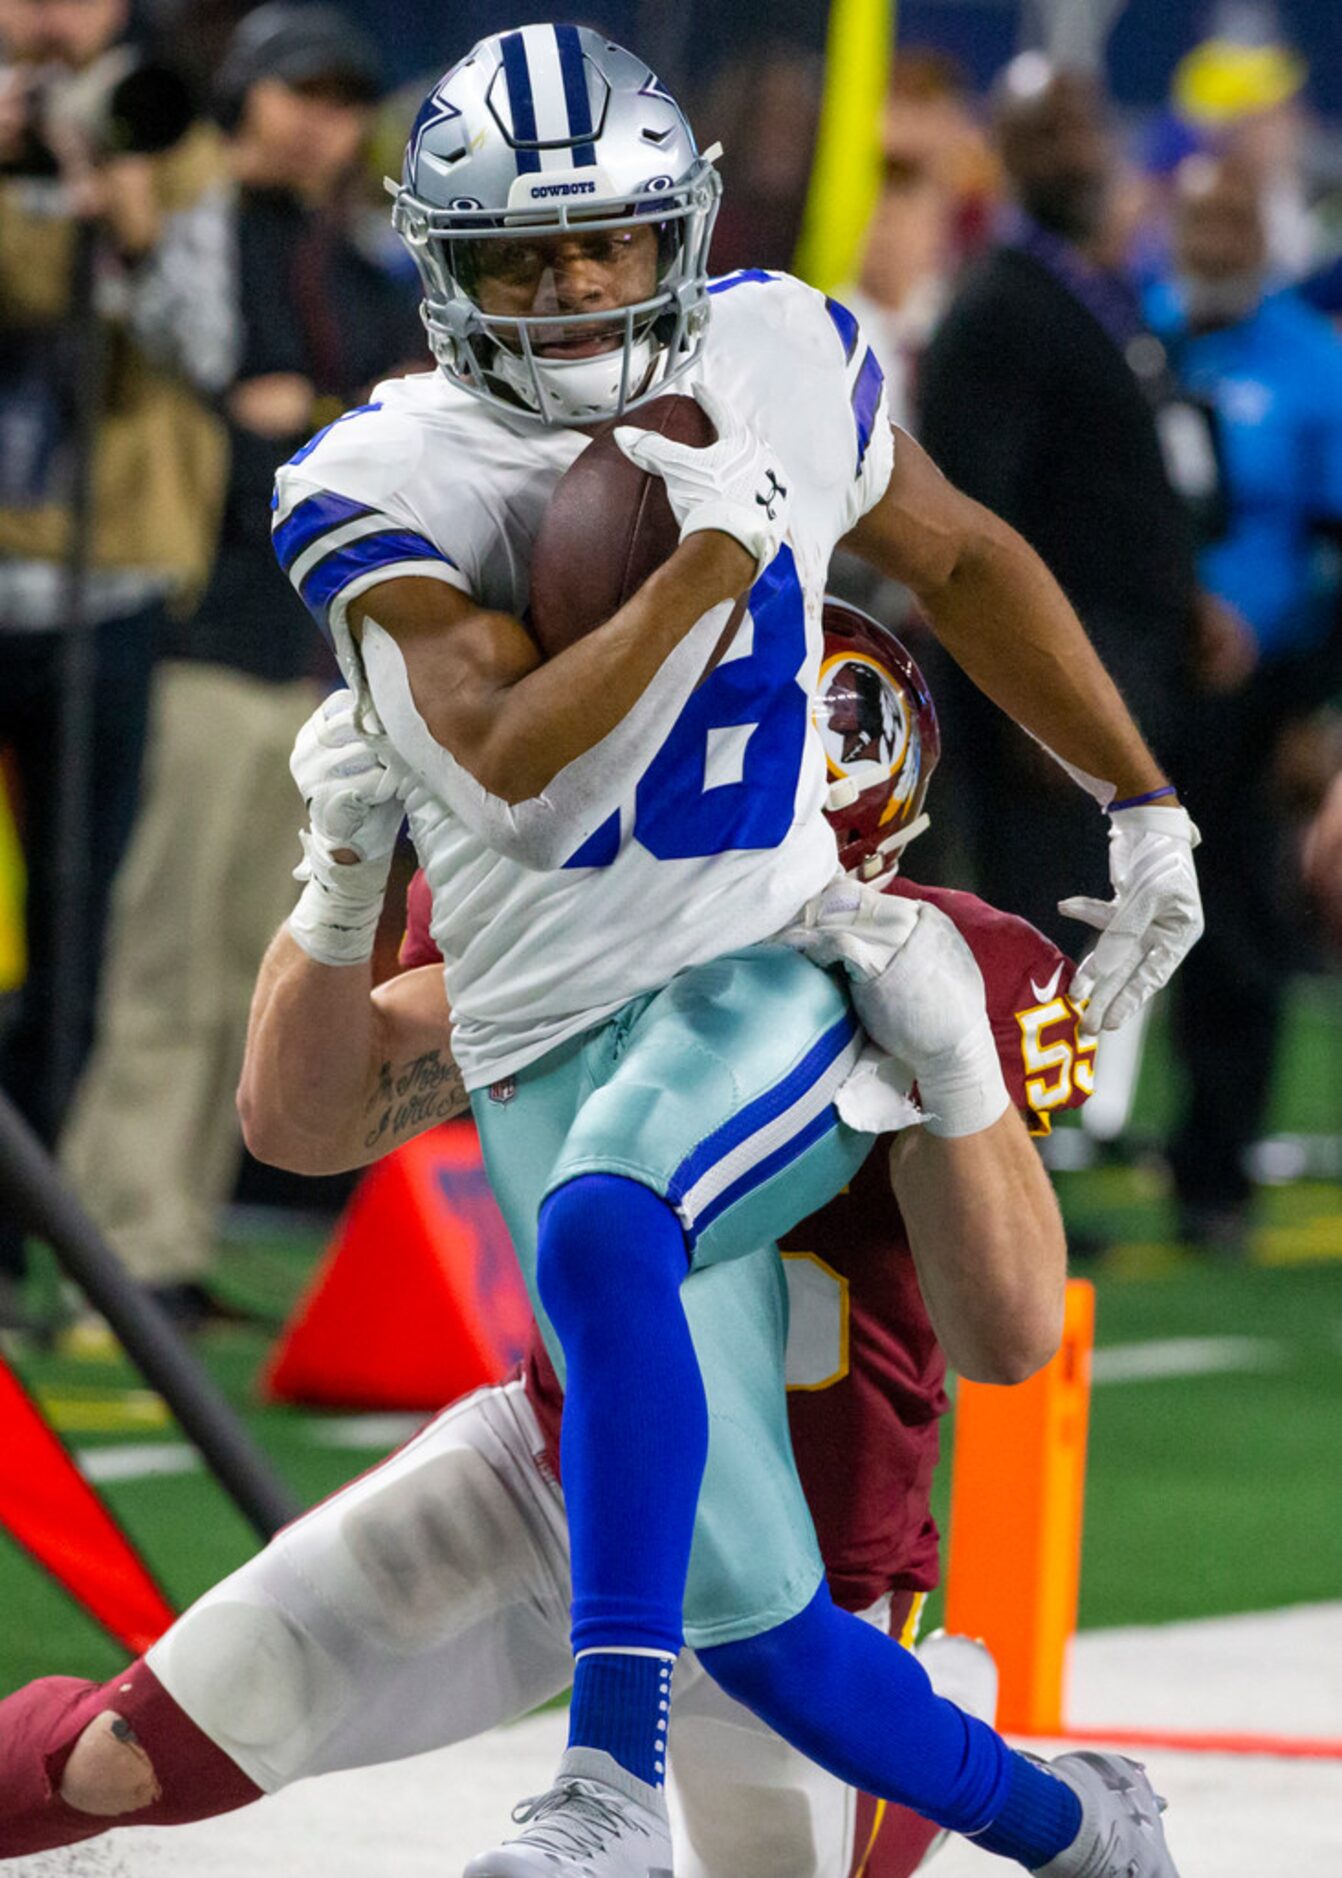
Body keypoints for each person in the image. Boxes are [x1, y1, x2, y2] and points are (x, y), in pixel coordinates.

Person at [272, 26, 1198, 1876]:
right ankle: (1078, 1825)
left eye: (605, 244)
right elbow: (520, 772)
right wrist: (710, 567)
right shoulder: (377, 476)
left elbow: (956, 551)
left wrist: (1139, 797)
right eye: (517, 260)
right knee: (756, 1618)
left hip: (757, 966)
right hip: (543, 1035)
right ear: (439, 273)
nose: (567, 292)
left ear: (675, 229)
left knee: (610, 1220)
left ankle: (602, 1786)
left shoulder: (780, 343)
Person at [0, 611, 1091, 1878]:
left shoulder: (939, 968)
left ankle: (994, 1778)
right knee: (124, 1754)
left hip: (808, 1571)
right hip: (556, 1477)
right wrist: (340, 879)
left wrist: (952, 1071)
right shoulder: (575, 931)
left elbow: (1008, 1339)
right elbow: (301, 1126)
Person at [56, 2, 415, 1331]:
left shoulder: (362, 266)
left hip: (308, 660)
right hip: (200, 639)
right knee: (162, 951)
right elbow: (196, 379)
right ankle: (114, 1246)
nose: (314, 117)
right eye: (291, 91)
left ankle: (172, 1230)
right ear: (246, 97)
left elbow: (358, 437)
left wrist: (300, 419)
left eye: (336, 96)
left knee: (242, 956)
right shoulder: (200, 231)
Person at [0, 0, 236, 1321]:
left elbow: (204, 351)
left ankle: (13, 1226)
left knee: (79, 933)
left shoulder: (161, 135)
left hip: (104, 591)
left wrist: (124, 208)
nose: (49, 17)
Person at [916, 54, 1214, 953]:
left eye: (1082, 124)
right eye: (1044, 133)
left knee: (1128, 937)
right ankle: (1027, 1101)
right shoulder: (999, 307)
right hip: (1056, 704)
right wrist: (1028, 705)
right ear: (1001, 153)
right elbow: (969, 530)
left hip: (1124, 665)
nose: (1073, 152)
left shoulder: (1093, 288)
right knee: (1052, 946)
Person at [1144, 153, 1342, 1250]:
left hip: (1255, 697)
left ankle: (1214, 1172)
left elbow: (1335, 549)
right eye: (1196, 219)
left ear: (1263, 239)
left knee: (1235, 925)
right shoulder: (1137, 334)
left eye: (1231, 221)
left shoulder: (1312, 365)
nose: (1212, 241)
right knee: (1088, 915)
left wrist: (1314, 707)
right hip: (1126, 681)